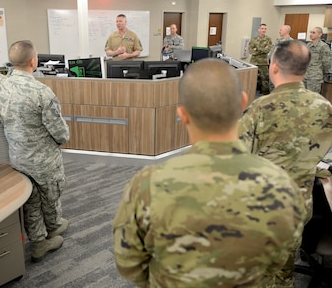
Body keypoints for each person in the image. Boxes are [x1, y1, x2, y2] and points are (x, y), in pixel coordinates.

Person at [113, 58, 307, 288]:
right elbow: (280, 258)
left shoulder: (146, 186)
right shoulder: (282, 185)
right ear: (243, 103)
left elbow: (129, 264)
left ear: (183, 115)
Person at [239, 40, 332, 287]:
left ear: (274, 67)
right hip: (300, 206)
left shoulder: (261, 109)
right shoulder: (324, 107)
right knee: (283, 267)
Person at [0, 40, 69, 263]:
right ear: (33, 61)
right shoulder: (41, 93)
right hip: (43, 160)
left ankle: (39, 243)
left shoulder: (1, 87)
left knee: (31, 202)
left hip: (18, 157)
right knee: (50, 195)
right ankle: (53, 228)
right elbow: (61, 134)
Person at [303, 26, 332, 93]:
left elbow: (327, 63)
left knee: (312, 99)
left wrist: (320, 73)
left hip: (315, 78)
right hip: (305, 76)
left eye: (313, 33)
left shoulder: (323, 46)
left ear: (320, 34)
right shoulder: (308, 45)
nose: (311, 34)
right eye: (311, 32)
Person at [249, 23, 272, 95]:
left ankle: (264, 93)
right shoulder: (254, 39)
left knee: (265, 78)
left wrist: (257, 49)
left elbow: (267, 50)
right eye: (262, 29)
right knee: (252, 78)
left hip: (263, 62)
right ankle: (250, 91)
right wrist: (262, 49)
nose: (263, 30)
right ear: (259, 30)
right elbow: (250, 50)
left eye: (265, 29)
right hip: (254, 61)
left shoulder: (268, 39)